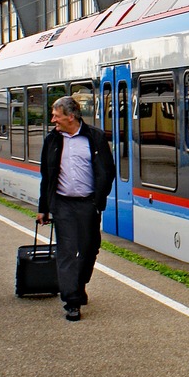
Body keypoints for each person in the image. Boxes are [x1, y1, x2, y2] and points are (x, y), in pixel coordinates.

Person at [37, 95, 115, 321]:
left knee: (90, 248)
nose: (53, 120)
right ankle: (71, 300)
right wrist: (44, 208)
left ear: (71, 117)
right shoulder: (52, 140)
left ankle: (78, 284)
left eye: (56, 115)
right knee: (67, 251)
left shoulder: (95, 137)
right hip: (63, 204)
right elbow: (47, 176)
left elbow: (107, 171)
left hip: (88, 203)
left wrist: (99, 200)